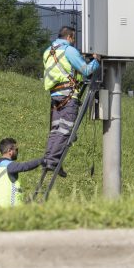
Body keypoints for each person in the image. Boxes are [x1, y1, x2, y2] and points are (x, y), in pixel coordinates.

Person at [42, 26, 100, 177]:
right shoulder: (69, 50)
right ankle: (54, 161)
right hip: (68, 95)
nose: (73, 42)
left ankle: (49, 159)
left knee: (55, 130)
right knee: (65, 130)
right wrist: (96, 60)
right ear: (69, 37)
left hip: (55, 95)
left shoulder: (48, 52)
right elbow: (86, 70)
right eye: (73, 39)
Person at [0, 137, 44, 207]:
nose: (17, 152)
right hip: (8, 210)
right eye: (16, 149)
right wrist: (42, 160)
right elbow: (25, 166)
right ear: (10, 151)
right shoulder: (9, 165)